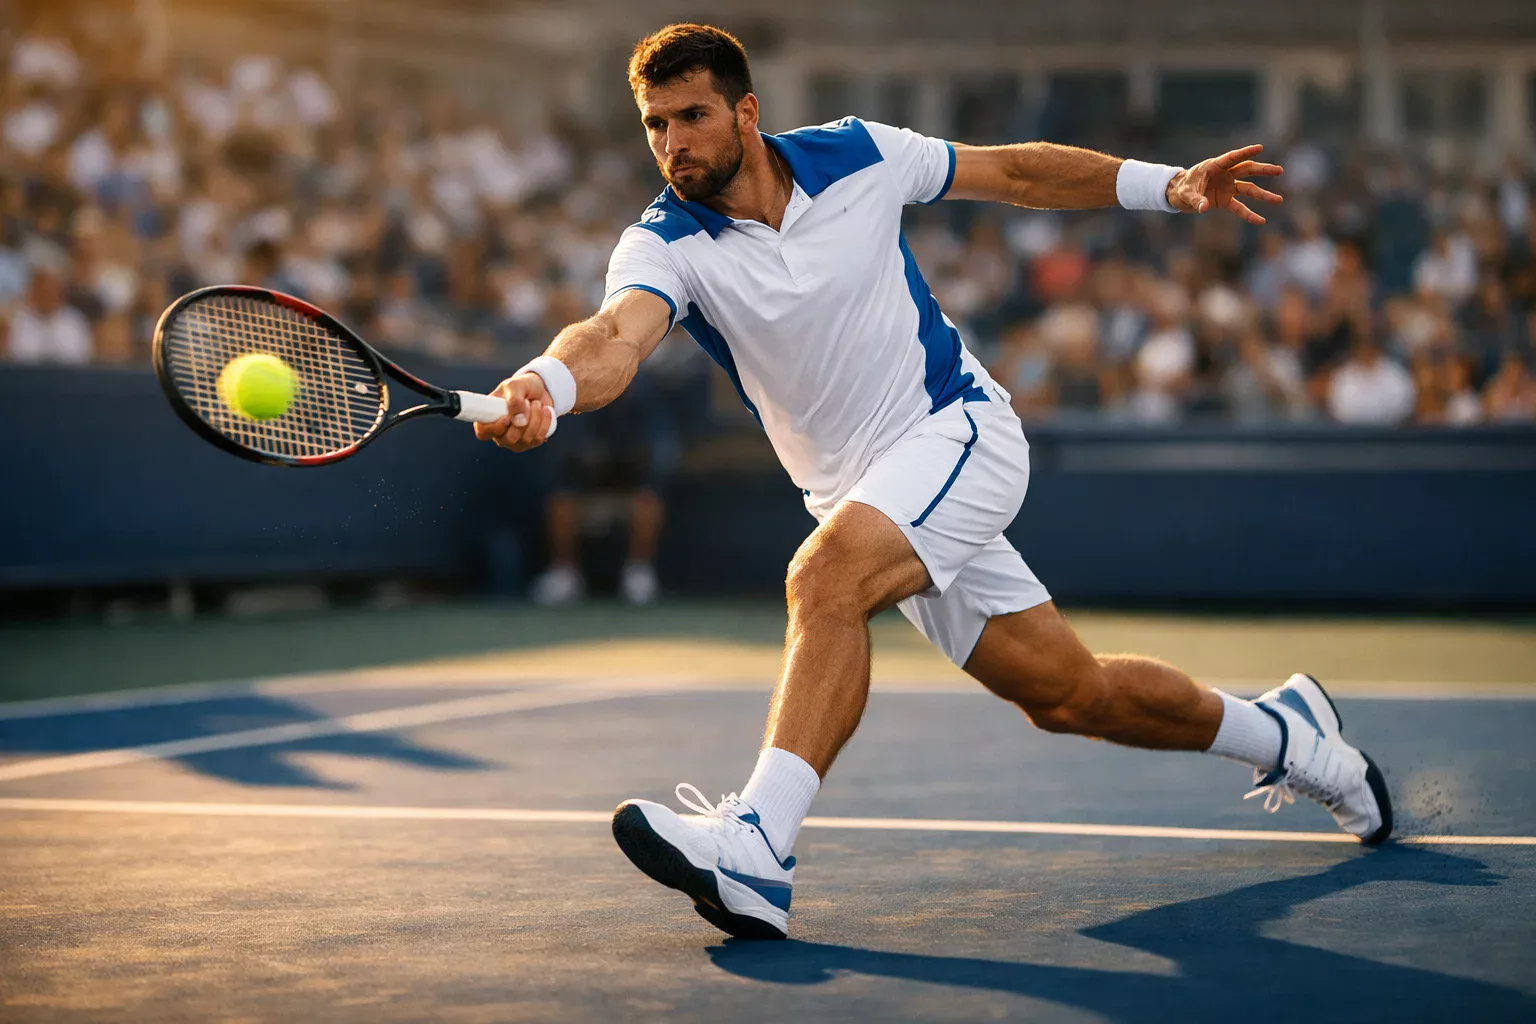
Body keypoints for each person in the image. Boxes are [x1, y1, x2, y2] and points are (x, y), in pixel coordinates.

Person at [473, 23, 1392, 940]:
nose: (673, 142)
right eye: (654, 125)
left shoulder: (860, 153)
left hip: (957, 431)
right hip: (868, 494)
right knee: (1071, 697)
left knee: (823, 580)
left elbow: (1018, 173)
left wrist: (1169, 185)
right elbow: (613, 337)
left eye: (693, 116)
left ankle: (758, 845)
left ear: (746, 112)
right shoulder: (662, 243)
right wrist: (545, 385)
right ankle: (1289, 735)